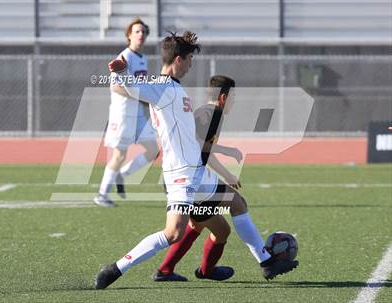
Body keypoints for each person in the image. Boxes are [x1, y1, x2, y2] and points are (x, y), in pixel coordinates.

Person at [95, 32, 297, 290]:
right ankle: (115, 269)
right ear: (178, 59)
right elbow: (118, 86)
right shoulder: (162, 87)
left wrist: (221, 152)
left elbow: (191, 138)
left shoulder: (173, 88)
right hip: (181, 173)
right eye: (189, 59)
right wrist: (118, 73)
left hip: (197, 172)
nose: (191, 64)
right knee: (173, 233)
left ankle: (265, 262)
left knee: (236, 205)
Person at [152, 75, 242, 282]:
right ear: (223, 97)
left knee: (197, 225)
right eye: (233, 96)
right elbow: (201, 148)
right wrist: (227, 172)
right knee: (222, 230)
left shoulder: (209, 112)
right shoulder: (210, 115)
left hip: (186, 179)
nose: (235, 101)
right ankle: (206, 271)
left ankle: (166, 269)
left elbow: (199, 146)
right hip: (189, 180)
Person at [94, 18, 159, 207]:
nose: (141, 35)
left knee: (154, 150)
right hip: (122, 114)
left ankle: (122, 175)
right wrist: (139, 97)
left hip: (137, 112)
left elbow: (139, 85)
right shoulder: (125, 57)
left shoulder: (142, 58)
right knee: (119, 155)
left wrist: (147, 100)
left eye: (144, 32)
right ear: (129, 35)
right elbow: (115, 87)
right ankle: (101, 194)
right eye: (137, 31)